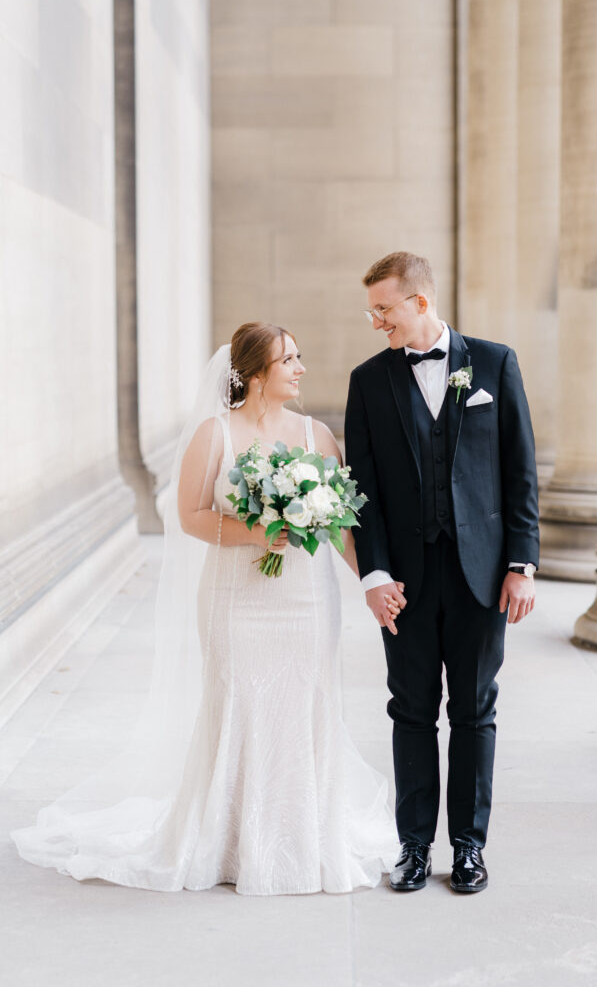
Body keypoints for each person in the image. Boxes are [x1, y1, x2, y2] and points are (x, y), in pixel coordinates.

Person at [12, 322, 397, 894]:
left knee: (305, 704)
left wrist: (371, 582)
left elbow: (341, 524)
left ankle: (304, 837)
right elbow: (187, 514)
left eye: (299, 356)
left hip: (306, 602)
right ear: (258, 375)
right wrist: (254, 530)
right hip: (235, 600)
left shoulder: (318, 436)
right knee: (239, 701)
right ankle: (230, 842)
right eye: (288, 360)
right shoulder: (215, 436)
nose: (300, 368)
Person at [344, 252, 539, 894]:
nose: (376, 321)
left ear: (420, 303)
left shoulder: (496, 363)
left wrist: (521, 563)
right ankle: (413, 848)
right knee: (410, 711)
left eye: (384, 309)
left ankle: (470, 848)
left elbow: (519, 471)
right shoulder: (368, 382)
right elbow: (361, 491)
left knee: (476, 713)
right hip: (404, 581)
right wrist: (373, 575)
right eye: (373, 310)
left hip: (482, 576)